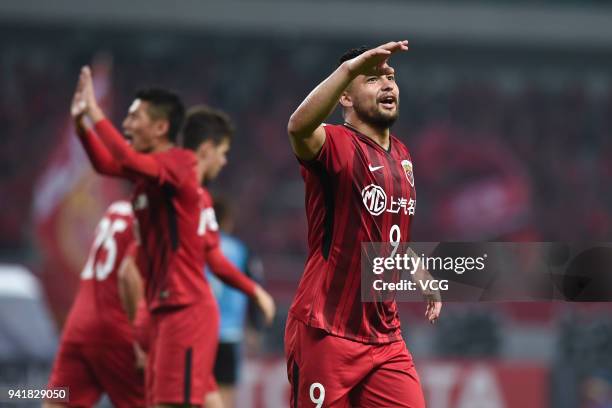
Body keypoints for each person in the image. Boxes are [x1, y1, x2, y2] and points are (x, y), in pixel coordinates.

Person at [71, 67, 275, 408]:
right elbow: (109, 163)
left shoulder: (177, 169)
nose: (224, 162)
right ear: (208, 148)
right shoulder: (158, 179)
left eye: (133, 118)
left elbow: (213, 257)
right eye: (223, 152)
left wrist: (94, 114)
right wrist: (83, 125)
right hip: (164, 311)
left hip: (183, 311)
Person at [285, 41, 442, 407]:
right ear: (346, 97)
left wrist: (421, 275)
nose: (387, 85)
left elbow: (390, 237)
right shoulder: (335, 143)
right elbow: (297, 128)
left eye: (390, 78)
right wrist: (347, 70)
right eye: (372, 79)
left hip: (385, 337)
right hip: (326, 330)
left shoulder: (403, 156)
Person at [45, 201, 145, 408]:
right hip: (117, 327)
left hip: (79, 325)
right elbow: (128, 273)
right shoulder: (151, 214)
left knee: (59, 401)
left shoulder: (115, 208)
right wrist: (140, 338)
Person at [205, 198, 265, 408]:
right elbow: (254, 289)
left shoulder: (198, 245)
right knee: (225, 396)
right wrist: (255, 326)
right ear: (228, 222)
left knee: (198, 393)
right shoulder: (241, 250)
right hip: (230, 334)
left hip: (201, 333)